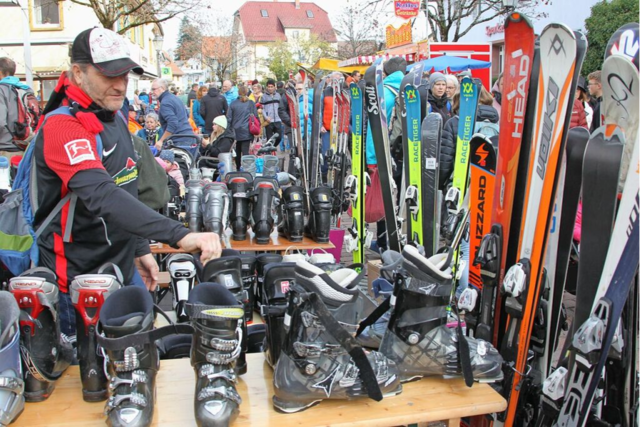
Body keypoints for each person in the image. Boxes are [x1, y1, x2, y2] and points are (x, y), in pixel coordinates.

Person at [33, 27, 222, 335]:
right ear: (78, 73)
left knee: (139, 365)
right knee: (88, 375)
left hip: (121, 266)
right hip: (76, 280)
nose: (120, 86)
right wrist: (180, 235)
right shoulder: (63, 127)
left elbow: (126, 184)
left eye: (125, 76)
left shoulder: (113, 116)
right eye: (109, 76)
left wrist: (138, 248)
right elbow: (102, 194)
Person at [365, 57, 406, 253]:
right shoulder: (410, 90)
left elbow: (376, 129)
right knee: (400, 197)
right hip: (407, 153)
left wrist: (372, 159)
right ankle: (398, 240)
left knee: (385, 198)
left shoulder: (384, 94)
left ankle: (383, 243)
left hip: (386, 153)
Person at [440, 86, 499, 190]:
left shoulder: (454, 123)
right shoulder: (499, 123)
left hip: (461, 184)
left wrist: (442, 183)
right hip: (490, 184)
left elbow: (446, 159)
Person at [0, 56, 37, 159]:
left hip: (5, 151)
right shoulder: (26, 89)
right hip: (26, 148)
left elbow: (0, 122)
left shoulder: (1, 90)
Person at [151, 78, 196, 153]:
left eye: (154, 89)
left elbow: (173, 123)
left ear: (162, 88)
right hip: (189, 137)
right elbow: (186, 115)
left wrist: (161, 141)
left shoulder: (165, 102)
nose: (152, 92)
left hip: (179, 140)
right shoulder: (175, 98)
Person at [227, 85, 258, 169]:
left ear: (238, 93)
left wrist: (229, 130)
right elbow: (255, 117)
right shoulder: (251, 103)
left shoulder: (233, 104)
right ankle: (246, 169)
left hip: (235, 131)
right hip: (247, 130)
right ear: (247, 92)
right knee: (245, 151)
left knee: (237, 150)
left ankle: (238, 168)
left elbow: (229, 118)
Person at [261, 79, 282, 146]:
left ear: (274, 87)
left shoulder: (278, 95)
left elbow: (281, 107)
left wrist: (281, 117)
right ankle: (270, 152)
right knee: (269, 139)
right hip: (269, 121)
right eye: (269, 87)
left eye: (271, 87)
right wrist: (266, 117)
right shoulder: (264, 96)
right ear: (267, 87)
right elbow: (262, 108)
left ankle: (273, 147)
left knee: (279, 137)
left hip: (278, 119)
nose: (270, 88)